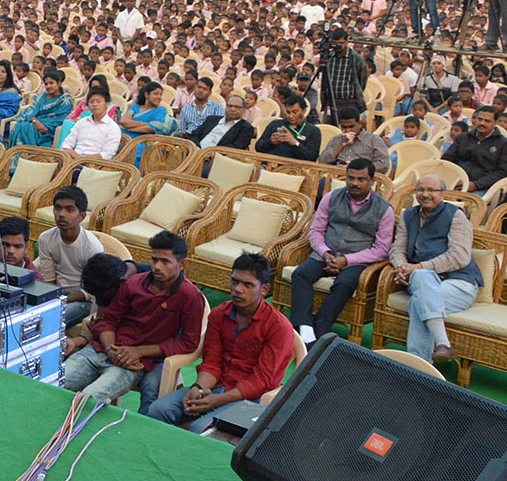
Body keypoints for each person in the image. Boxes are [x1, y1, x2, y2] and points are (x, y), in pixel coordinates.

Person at [145, 252, 293, 432]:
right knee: (157, 410)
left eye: (247, 284)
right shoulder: (218, 315)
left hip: (252, 399)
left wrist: (216, 400)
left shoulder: (279, 327)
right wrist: (199, 388)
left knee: (200, 429)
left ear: (264, 289)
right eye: (235, 281)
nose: (238, 289)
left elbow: (260, 381)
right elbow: (212, 362)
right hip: (216, 387)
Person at [62, 230, 205, 410]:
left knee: (88, 399)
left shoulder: (190, 297)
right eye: (154, 260)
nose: (157, 267)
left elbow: (188, 343)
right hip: (100, 350)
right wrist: (110, 349)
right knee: (51, 383)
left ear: (182, 264)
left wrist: (138, 351)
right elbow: (108, 320)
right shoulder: (133, 283)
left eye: (165, 261)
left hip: (132, 365)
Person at [288, 158, 396, 344]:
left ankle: (318, 332)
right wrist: (325, 253)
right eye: (351, 178)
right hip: (326, 254)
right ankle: (305, 330)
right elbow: (316, 231)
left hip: (357, 261)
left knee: (344, 284)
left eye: (361, 179)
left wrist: (346, 260)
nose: (355, 183)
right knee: (301, 274)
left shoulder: (384, 210)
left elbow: (381, 250)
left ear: (372, 181)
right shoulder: (331, 197)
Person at [389, 174, 483, 361]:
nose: (425, 194)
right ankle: (442, 346)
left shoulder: (456, 216)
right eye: (420, 190)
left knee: (418, 298)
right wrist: (401, 267)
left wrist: (417, 267)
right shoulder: (409, 215)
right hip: (423, 283)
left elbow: (459, 257)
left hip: (459, 283)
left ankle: (418, 365)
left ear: (443, 193)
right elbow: (397, 248)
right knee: (421, 281)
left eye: (432, 190)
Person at [35, 186, 105, 327]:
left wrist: (61, 301)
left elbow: (93, 292)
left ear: (82, 216)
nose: (61, 214)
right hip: (55, 293)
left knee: (48, 321)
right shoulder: (46, 238)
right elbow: (49, 278)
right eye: (58, 208)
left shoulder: (92, 247)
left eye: (69, 209)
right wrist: (51, 299)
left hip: (82, 300)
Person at [441, 105, 507, 194]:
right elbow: (447, 159)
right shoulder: (463, 137)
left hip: (482, 187)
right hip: (456, 181)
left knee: (470, 205)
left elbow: (502, 172)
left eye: (487, 121)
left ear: (495, 123)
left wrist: (476, 184)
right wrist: (454, 178)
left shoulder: (503, 143)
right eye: (479, 119)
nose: (482, 123)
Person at [6, 68, 72, 148]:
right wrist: (35, 120)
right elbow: (30, 112)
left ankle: (27, 157)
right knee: (23, 127)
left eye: (51, 83)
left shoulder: (64, 100)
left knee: (25, 128)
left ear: (59, 83)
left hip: (49, 131)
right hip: (34, 124)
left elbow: (61, 119)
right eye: (46, 84)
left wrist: (44, 126)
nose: (48, 86)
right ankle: (20, 158)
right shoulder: (40, 97)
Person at [316, 28, 367, 123]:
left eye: (341, 43)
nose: (339, 46)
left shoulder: (357, 59)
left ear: (347, 42)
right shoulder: (329, 56)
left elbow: (362, 83)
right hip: (331, 101)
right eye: (335, 43)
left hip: (348, 102)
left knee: (348, 131)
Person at [316, 106, 392, 170]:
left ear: (359, 124)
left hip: (360, 177)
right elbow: (322, 161)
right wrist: (341, 144)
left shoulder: (373, 140)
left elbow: (384, 164)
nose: (348, 130)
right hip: (336, 174)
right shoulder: (337, 139)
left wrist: (357, 168)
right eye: (344, 127)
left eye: (351, 126)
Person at [61, 87, 123, 159]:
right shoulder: (81, 122)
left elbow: (107, 154)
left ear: (107, 104)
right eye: (91, 102)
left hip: (94, 164)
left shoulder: (113, 127)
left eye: (98, 101)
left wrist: (82, 157)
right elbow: (67, 144)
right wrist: (71, 153)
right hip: (72, 159)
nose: (94, 104)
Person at [254, 95, 321, 161]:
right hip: (269, 164)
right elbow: (258, 147)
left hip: (294, 169)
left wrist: (295, 143)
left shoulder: (313, 131)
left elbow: (312, 157)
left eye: (295, 112)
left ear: (304, 111)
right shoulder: (275, 124)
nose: (291, 116)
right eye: (288, 112)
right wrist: (270, 142)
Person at [189, 94, 256, 150]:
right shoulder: (211, 119)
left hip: (215, 159)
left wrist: (209, 152)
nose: (232, 109)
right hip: (194, 151)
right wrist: (197, 147)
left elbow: (237, 148)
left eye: (237, 107)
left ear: (244, 110)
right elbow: (194, 135)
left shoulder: (246, 128)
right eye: (230, 106)